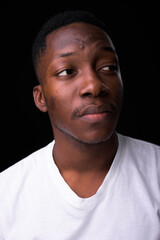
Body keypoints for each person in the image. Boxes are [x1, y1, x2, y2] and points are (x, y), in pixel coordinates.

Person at [0, 10, 159, 239]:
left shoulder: (155, 172)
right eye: (67, 71)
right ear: (41, 97)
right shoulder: (6, 196)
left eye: (108, 67)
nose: (94, 86)